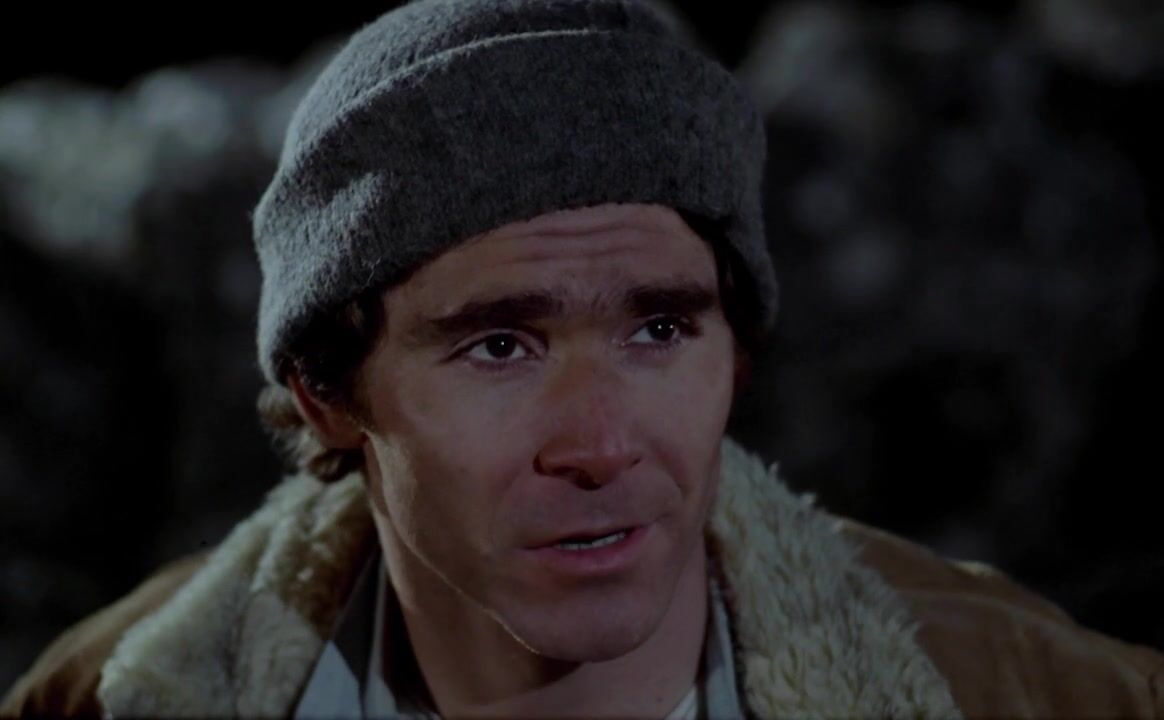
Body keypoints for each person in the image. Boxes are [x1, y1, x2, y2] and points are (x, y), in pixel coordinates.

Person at [4, 0, 1162, 717]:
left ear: (735, 355)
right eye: (500, 347)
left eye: (660, 330)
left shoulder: (1035, 696)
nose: (602, 444)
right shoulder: (109, 698)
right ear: (328, 392)